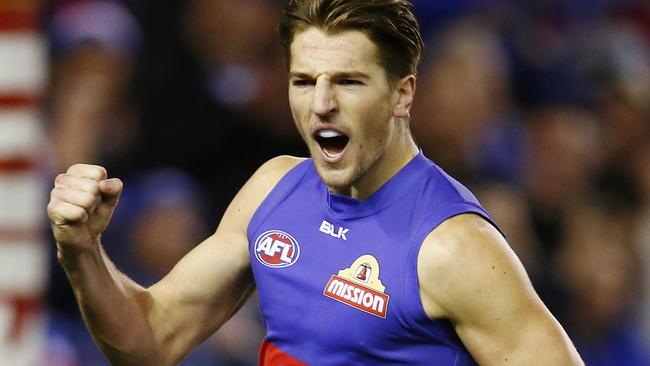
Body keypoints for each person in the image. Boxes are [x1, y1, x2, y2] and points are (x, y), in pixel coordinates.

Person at [46, 0, 584, 364]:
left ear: (403, 94)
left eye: (349, 82)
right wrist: (83, 250)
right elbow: (149, 342)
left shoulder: (453, 247)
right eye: (304, 81)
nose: (321, 105)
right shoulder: (273, 191)